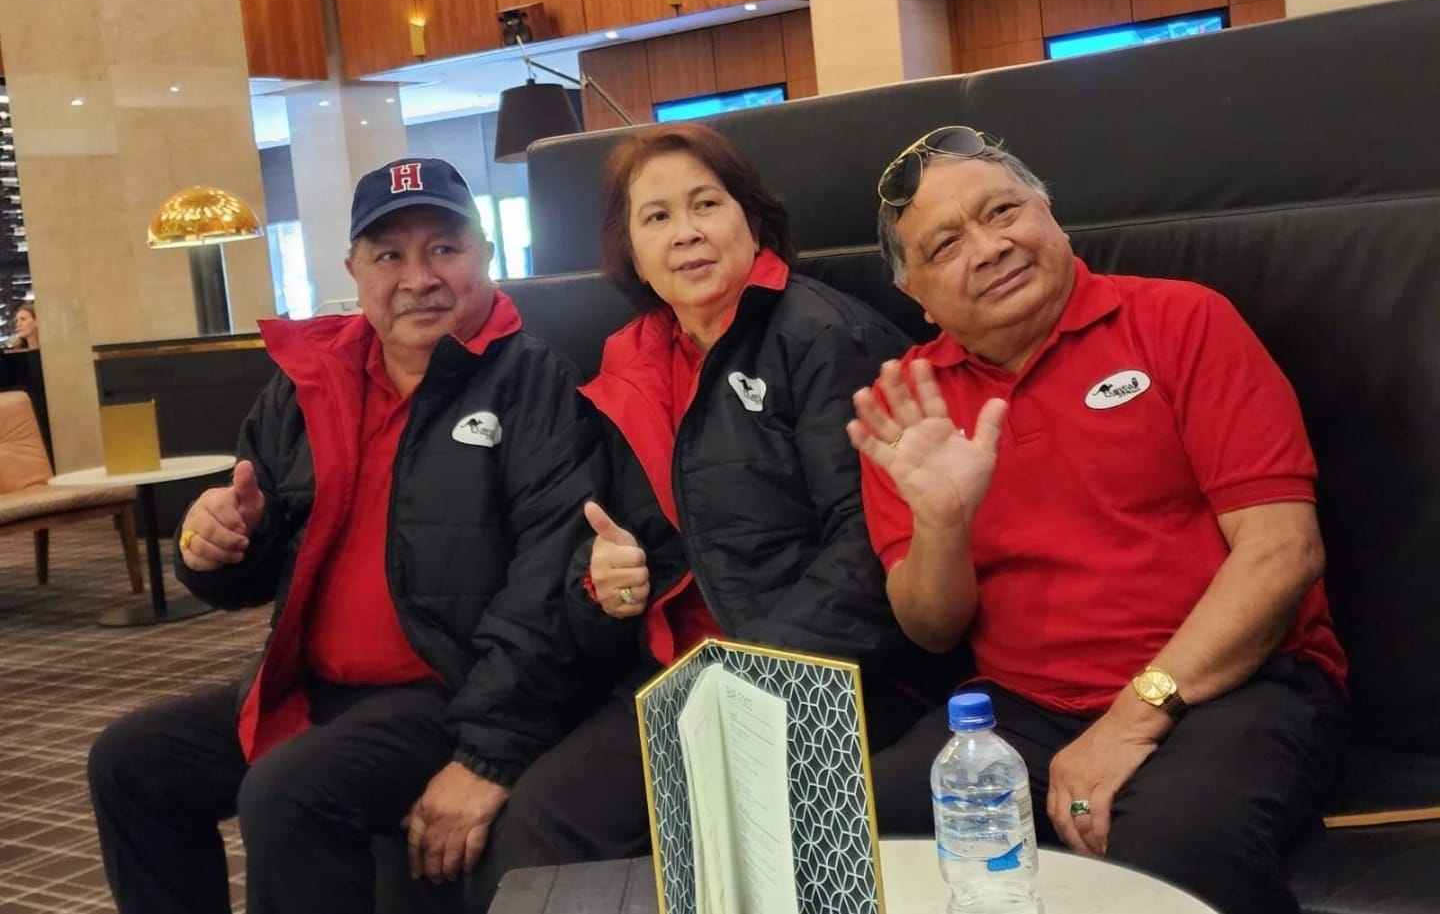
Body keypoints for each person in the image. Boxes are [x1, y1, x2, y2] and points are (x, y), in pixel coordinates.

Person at [850, 127, 1347, 914]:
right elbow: (932, 628)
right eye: (947, 244)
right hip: (1021, 707)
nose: (990, 246)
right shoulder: (910, 403)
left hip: (1236, 684)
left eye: (1003, 211)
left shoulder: (1183, 319)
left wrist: (1130, 721)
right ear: (916, 293)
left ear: (1049, 214)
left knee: (1161, 864)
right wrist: (943, 522)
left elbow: (1283, 550)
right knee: (852, 839)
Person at [87, 157, 604, 914]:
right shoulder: (310, 383)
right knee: (130, 763)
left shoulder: (535, 384)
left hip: (446, 688)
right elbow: (249, 557)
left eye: (444, 248)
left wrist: (487, 754)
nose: (418, 277)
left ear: (486, 254)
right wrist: (214, 546)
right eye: (389, 255)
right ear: (354, 271)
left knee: (286, 794)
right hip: (312, 684)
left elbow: (550, 584)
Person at [465, 122, 931, 903]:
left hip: (832, 674)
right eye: (656, 217)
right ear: (632, 252)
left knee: (722, 840)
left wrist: (747, 673)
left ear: (752, 217)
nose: (685, 232)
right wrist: (601, 582)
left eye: (706, 204)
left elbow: (872, 545)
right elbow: (607, 542)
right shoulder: (629, 360)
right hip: (674, 677)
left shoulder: (823, 336)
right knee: (539, 826)